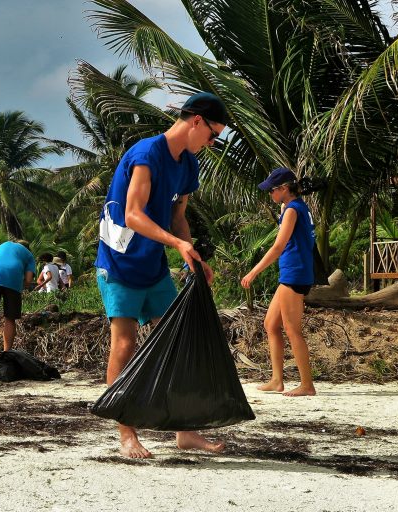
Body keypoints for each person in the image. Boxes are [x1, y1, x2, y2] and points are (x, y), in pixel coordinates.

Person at [95, 91, 226, 458]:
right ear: (196, 121)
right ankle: (126, 434)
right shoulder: (146, 154)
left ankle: (184, 431)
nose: (212, 143)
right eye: (213, 134)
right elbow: (134, 214)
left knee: (176, 341)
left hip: (153, 266)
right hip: (119, 263)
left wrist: (191, 257)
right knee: (125, 344)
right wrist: (177, 245)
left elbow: (177, 218)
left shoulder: (188, 165)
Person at [242, 167, 317, 397]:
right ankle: (276, 380)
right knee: (270, 324)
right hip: (292, 273)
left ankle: (307, 385)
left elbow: (278, 245)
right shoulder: (292, 206)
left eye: (273, 190)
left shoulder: (293, 210)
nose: (270, 195)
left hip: (295, 274)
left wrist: (253, 272)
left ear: (284, 189)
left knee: (292, 329)